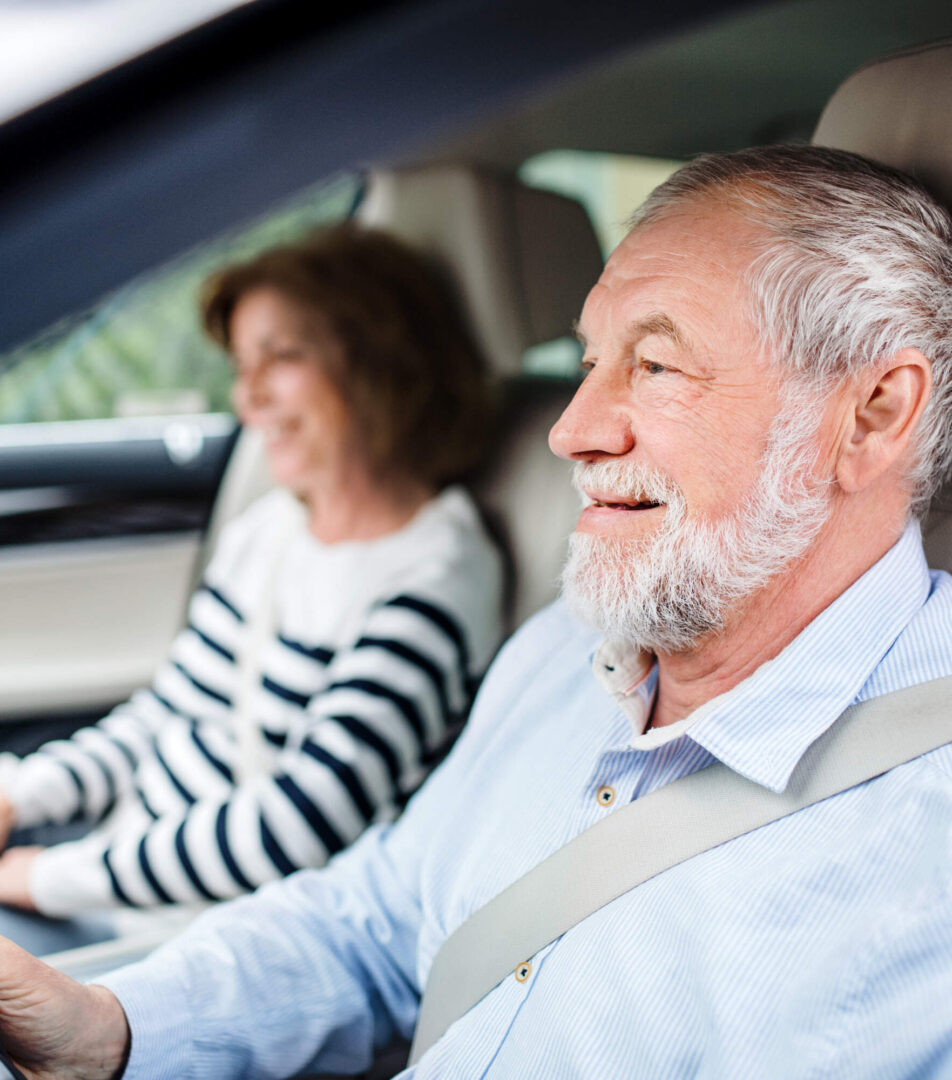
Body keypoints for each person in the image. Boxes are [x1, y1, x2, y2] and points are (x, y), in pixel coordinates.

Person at [0, 144, 951, 1080]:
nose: (570, 430)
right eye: (589, 362)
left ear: (870, 414)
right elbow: (374, 925)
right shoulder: (560, 650)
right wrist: (111, 1029)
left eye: (657, 366)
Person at [0, 224, 504, 954]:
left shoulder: (436, 576)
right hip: (134, 888)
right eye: (242, 366)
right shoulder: (270, 530)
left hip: (230, 938)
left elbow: (298, 825)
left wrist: (49, 877)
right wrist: (24, 792)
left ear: (381, 363)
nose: (249, 398)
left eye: (283, 357)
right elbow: (166, 715)